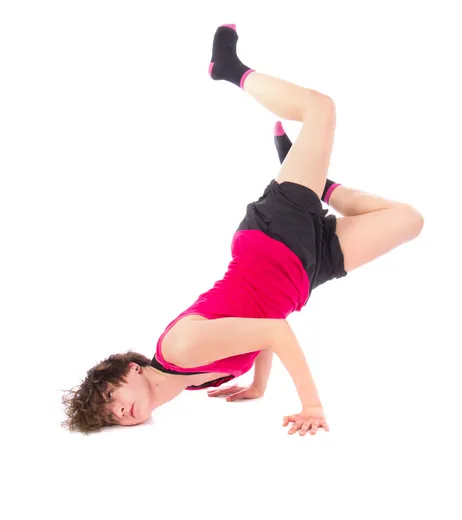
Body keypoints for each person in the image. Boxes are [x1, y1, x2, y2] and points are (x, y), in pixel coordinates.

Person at [61, 24, 424, 436]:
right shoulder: (193, 381)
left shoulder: (179, 350)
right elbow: (256, 327)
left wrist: (311, 405)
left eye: (111, 396)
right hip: (303, 273)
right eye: (110, 416)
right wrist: (258, 383)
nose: (119, 411)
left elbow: (275, 330)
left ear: (131, 369)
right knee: (409, 221)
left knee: (320, 108)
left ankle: (229, 68)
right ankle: (322, 185)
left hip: (272, 242)